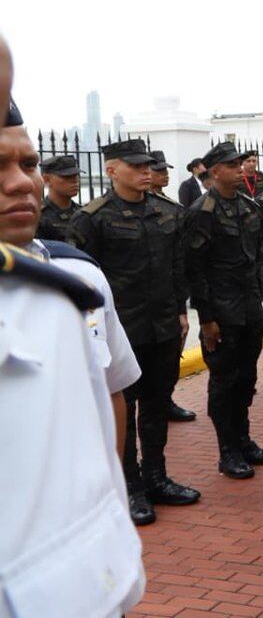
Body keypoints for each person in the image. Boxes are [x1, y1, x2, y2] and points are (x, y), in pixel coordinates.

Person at [0, 80, 146, 616]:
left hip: (82, 573)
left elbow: (109, 394)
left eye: (29, 163)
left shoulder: (75, 276)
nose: (21, 184)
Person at [70, 137, 199, 525]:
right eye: (137, 166)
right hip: (121, 331)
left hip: (162, 326)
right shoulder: (91, 218)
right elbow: (82, 280)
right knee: (123, 409)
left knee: (158, 406)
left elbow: (178, 267)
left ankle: (157, 477)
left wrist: (180, 311)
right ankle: (130, 487)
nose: (147, 172)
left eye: (149, 166)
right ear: (112, 170)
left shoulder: (168, 212)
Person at [183, 142, 263, 480]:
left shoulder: (251, 207)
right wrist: (207, 319)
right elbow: (195, 271)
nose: (240, 168)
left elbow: (259, 259)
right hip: (221, 313)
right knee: (224, 383)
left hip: (250, 308)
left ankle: (245, 440)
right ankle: (228, 451)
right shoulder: (201, 211)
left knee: (246, 379)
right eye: (231, 164)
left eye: (240, 162)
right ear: (214, 171)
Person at [147, 150, 196, 425]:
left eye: (166, 169)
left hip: (169, 294)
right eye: (158, 170)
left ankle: (166, 399)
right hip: (138, 300)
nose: (164, 174)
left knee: (169, 358)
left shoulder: (172, 208)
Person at [37, 154, 81, 241]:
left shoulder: (83, 213)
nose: (75, 181)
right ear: (47, 179)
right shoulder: (38, 216)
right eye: (67, 176)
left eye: (76, 175)